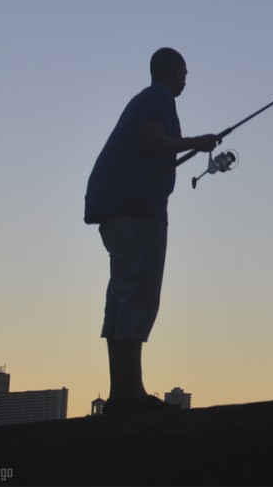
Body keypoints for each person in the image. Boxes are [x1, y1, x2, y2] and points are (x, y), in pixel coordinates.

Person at [84, 48, 219, 412]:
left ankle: (120, 394)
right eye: (184, 72)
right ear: (172, 71)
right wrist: (197, 142)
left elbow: (149, 147)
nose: (186, 79)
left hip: (117, 209)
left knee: (121, 298)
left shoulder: (143, 100)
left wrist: (187, 146)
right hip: (138, 211)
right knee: (138, 297)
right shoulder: (158, 97)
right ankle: (132, 395)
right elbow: (151, 142)